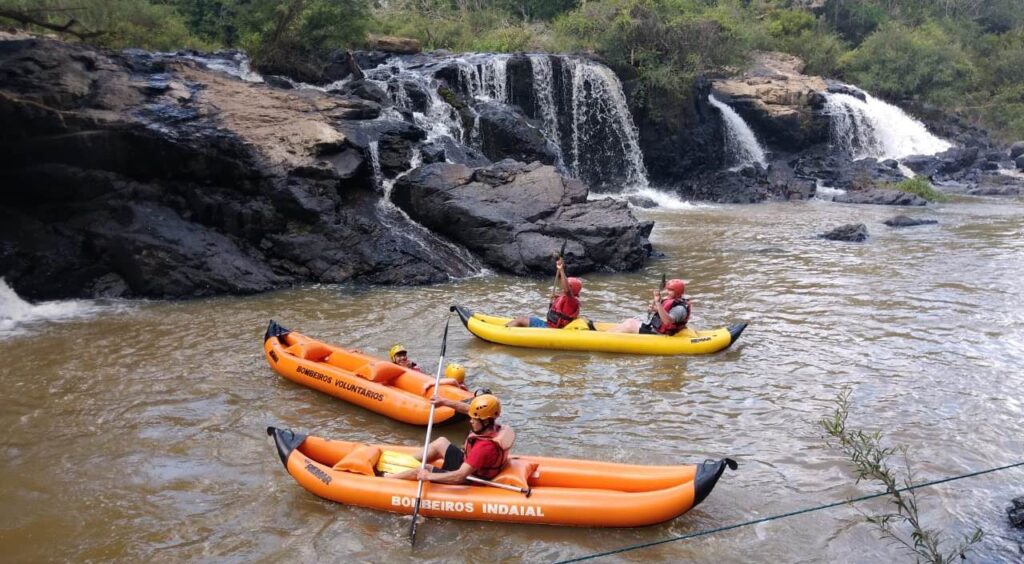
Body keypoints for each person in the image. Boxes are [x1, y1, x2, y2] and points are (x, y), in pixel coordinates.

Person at [392, 393, 515, 484]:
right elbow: (468, 409)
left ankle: (385, 480)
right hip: (471, 465)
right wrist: (444, 402)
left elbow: (459, 476)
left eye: (474, 419)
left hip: (471, 478)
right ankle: (402, 464)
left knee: (424, 469)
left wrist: (428, 476)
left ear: (486, 421)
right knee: (441, 442)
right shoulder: (493, 425)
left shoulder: (484, 447)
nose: (470, 421)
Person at [506, 257, 582, 328]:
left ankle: (504, 332)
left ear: (571, 289)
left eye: (568, 285)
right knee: (524, 318)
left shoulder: (571, 301)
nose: (563, 286)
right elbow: (565, 298)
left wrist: (561, 270)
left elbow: (567, 290)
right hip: (550, 324)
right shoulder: (569, 300)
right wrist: (556, 297)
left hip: (551, 328)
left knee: (520, 319)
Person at [607, 278, 691, 335]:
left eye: (671, 290)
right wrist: (656, 309)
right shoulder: (674, 301)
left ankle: (605, 338)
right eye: (668, 289)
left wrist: (658, 303)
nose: (667, 292)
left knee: (630, 325)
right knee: (630, 320)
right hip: (657, 327)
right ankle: (606, 334)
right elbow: (666, 313)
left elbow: (667, 321)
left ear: (677, 292)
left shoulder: (680, 309)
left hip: (662, 334)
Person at [389, 344, 466, 388]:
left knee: (451, 380)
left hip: (424, 381)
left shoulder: (413, 367)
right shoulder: (392, 369)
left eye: (404, 355)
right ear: (393, 359)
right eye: (399, 356)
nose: (402, 358)